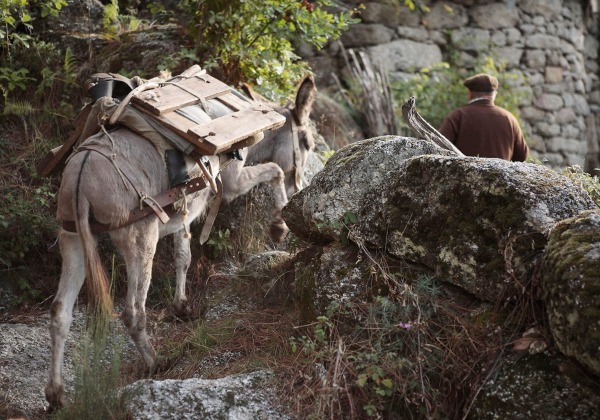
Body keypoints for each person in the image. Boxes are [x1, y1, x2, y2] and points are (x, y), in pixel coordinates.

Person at [439, 73, 529, 161]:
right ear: (494, 94)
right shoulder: (509, 118)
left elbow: (439, 147)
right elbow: (522, 156)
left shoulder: (458, 116)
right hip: (501, 176)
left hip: (463, 175)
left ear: (470, 93)